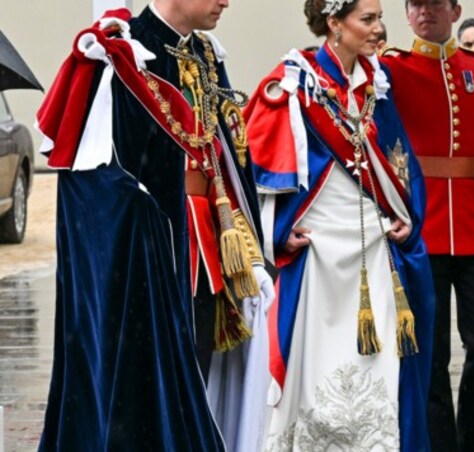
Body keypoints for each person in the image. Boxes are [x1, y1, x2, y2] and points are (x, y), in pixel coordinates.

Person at [35, 0, 273, 449]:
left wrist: (249, 247)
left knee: (196, 376)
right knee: (145, 388)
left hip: (209, 247)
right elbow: (89, 181)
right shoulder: (120, 52)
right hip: (150, 253)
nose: (226, 1)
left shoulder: (205, 54)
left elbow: (226, 160)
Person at [243, 0, 435, 450]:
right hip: (322, 253)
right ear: (333, 23)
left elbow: (399, 161)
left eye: (378, 18)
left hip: (376, 247)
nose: (378, 29)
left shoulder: (376, 86)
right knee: (319, 367)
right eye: (367, 19)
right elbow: (260, 166)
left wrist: (408, 217)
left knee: (384, 363)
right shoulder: (293, 83)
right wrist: (276, 231)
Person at [382, 1, 474, 450]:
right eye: (416, 6)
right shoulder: (390, 70)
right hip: (418, 230)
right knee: (429, 354)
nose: (425, 13)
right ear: (408, 15)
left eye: (434, 5)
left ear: (455, 10)